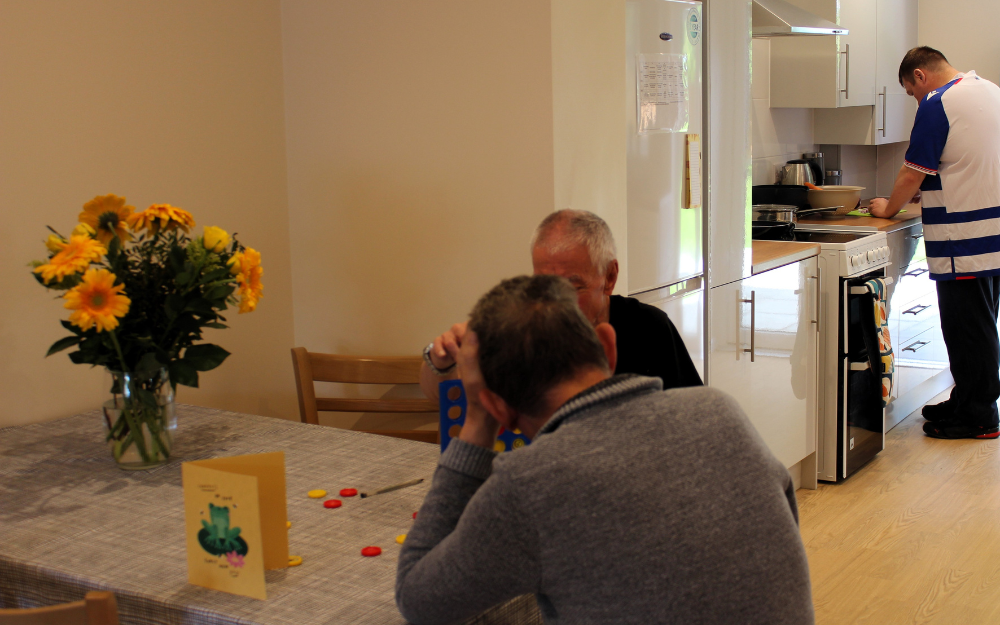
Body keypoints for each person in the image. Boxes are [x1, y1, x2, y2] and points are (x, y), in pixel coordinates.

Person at [396, 274, 814, 625]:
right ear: (608, 348)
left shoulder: (527, 485)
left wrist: (476, 423)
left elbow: (419, 600)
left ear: (498, 408)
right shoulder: (720, 411)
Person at [420, 209, 702, 399]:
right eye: (543, 283)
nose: (554, 299)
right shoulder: (521, 328)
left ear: (610, 276)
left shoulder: (648, 328)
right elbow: (443, 396)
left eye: (572, 285)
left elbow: (693, 416)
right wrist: (440, 361)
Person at [869, 46, 1000, 440]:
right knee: (982, 325)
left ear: (920, 77)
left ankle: (980, 417)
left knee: (967, 331)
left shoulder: (937, 103)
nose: (916, 100)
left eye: (911, 91)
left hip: (964, 238)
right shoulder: (989, 90)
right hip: (993, 233)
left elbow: (911, 175)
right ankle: (967, 400)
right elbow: (970, 160)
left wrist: (886, 210)